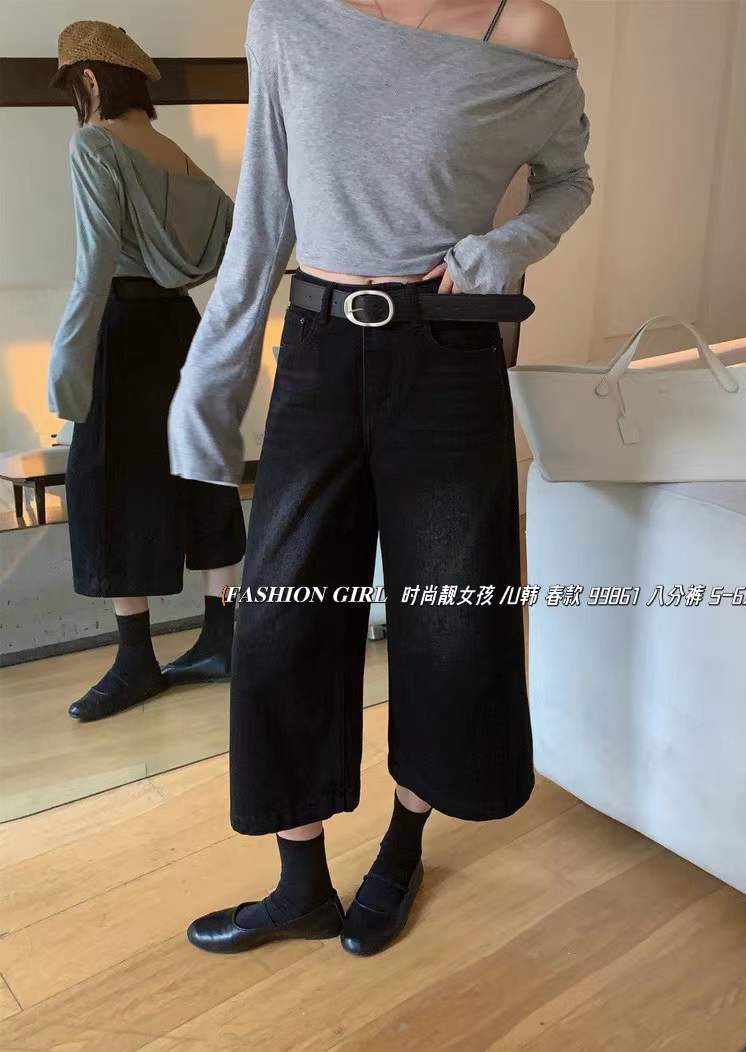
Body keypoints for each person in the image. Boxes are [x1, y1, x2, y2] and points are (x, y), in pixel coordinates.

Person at [170, 0, 593, 956]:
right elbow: (265, 210)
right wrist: (211, 377)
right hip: (318, 349)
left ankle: (402, 852)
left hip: (447, 357)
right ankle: (300, 887)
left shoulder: (525, 29)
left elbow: (569, 180)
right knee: (278, 623)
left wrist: (500, 250)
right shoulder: (291, 16)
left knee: (447, 620)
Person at [48, 21, 247, 723]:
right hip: (180, 328)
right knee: (202, 473)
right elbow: (231, 238)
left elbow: (95, 262)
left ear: (89, 79)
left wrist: (68, 355)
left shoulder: (95, 143)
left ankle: (136, 659)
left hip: (121, 329)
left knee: (104, 483)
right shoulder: (172, 151)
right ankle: (223, 637)